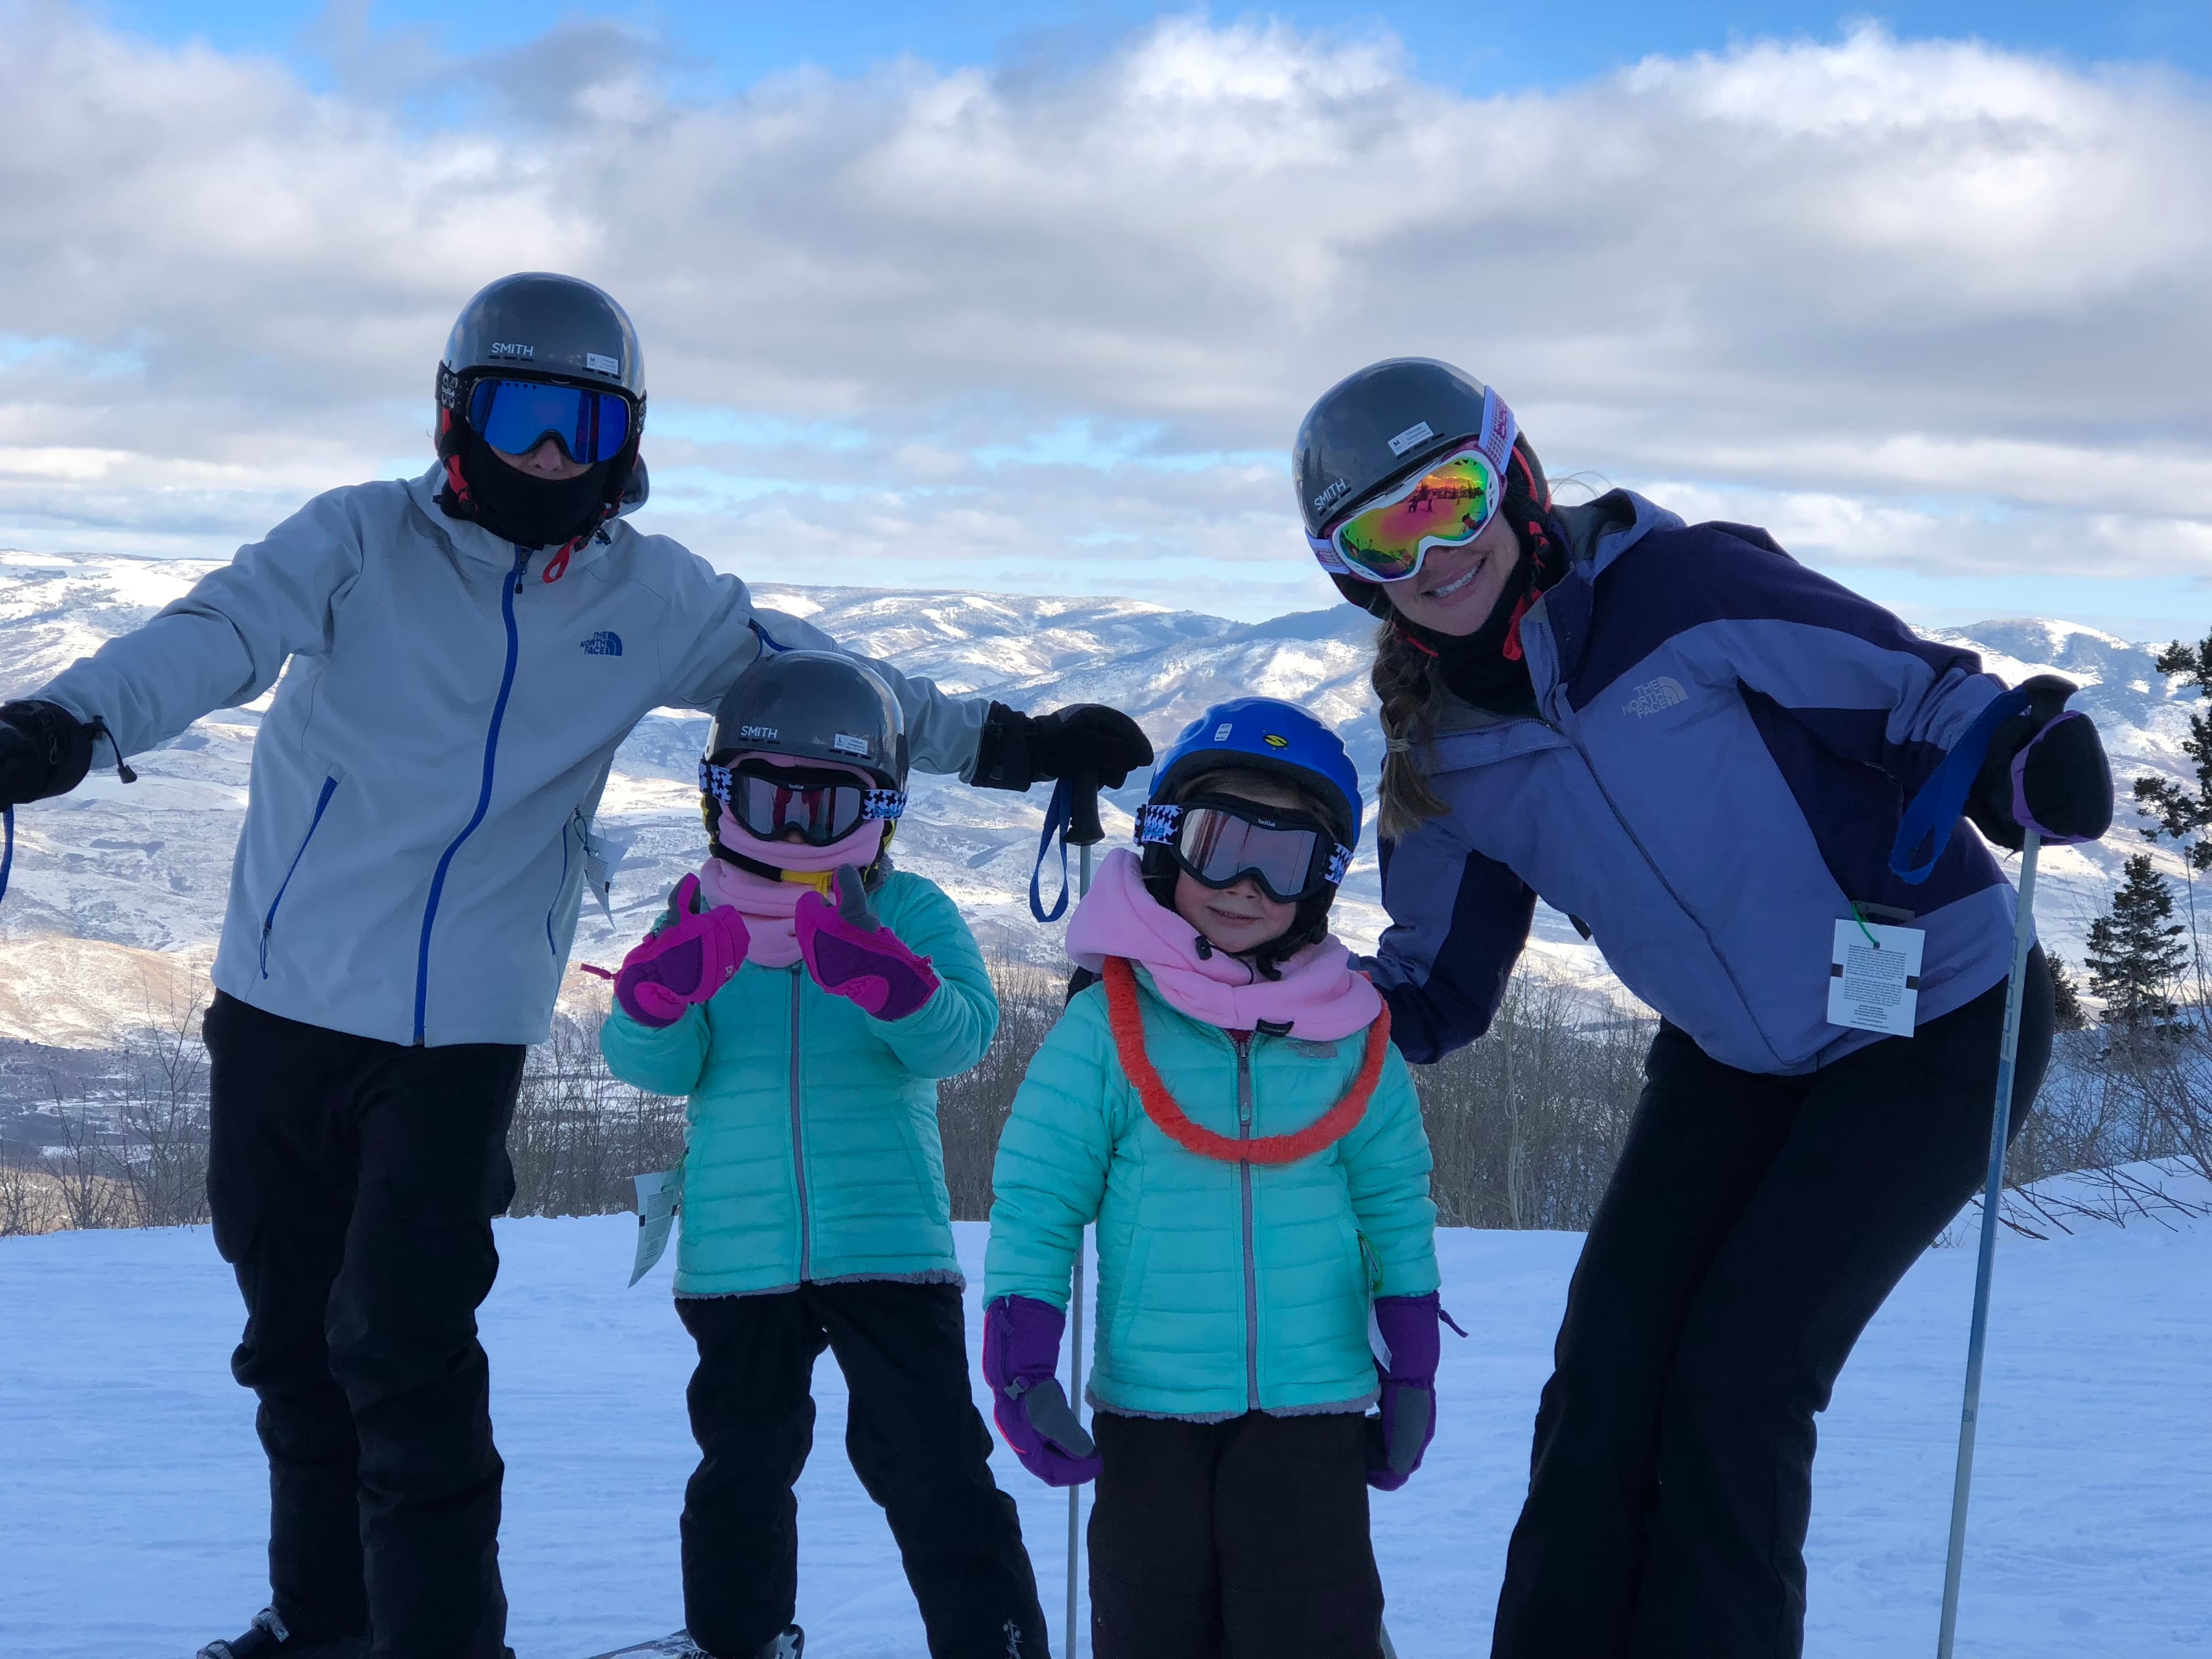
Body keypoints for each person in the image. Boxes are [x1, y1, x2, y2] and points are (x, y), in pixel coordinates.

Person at [0, 272, 1148, 1659]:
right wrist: (68, 724)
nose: (552, 453)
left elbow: (836, 687)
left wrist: (1017, 745)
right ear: (453, 413)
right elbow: (215, 634)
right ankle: (324, 1624)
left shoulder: (652, 596)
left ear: (629, 437)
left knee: (403, 1351)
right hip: (279, 1008)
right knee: (296, 1351)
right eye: (522, 413)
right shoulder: (358, 540)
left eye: (583, 423)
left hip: (466, 1033)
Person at [1289, 357, 2117, 1657]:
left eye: (1450, 499)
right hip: (1735, 1056)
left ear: (1516, 482)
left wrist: (2017, 755)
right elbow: (1435, 988)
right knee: (1607, 1378)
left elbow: (1916, 696)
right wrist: (1251, 1006)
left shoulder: (1686, 592)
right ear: (1349, 571)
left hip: (1940, 1022)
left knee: (1740, 1382)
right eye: (1383, 531)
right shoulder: (1442, 745)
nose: (1434, 551)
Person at [594, 650, 1050, 1659]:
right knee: (741, 1467)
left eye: (826, 803)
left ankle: (997, 1642)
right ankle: (736, 1639)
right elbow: (661, 1068)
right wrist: (653, 1002)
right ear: (721, 800)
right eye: (770, 799)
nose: (796, 829)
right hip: (738, 1250)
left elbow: (965, 1039)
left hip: (887, 1240)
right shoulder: (696, 908)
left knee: (930, 1463)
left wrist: (900, 987)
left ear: (879, 806)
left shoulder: (912, 911)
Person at [982, 699, 1443, 1659]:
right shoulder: (1107, 1025)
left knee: (1311, 1628)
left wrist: (1412, 1357)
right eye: (1217, 842)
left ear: (1319, 883)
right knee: (1155, 1628)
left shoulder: (1349, 1032)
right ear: (1163, 842)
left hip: (1313, 1410)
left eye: (1280, 863)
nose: (1241, 885)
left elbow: (1394, 1199)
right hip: (1152, 1410)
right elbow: (1039, 1198)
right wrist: (1022, 1359)